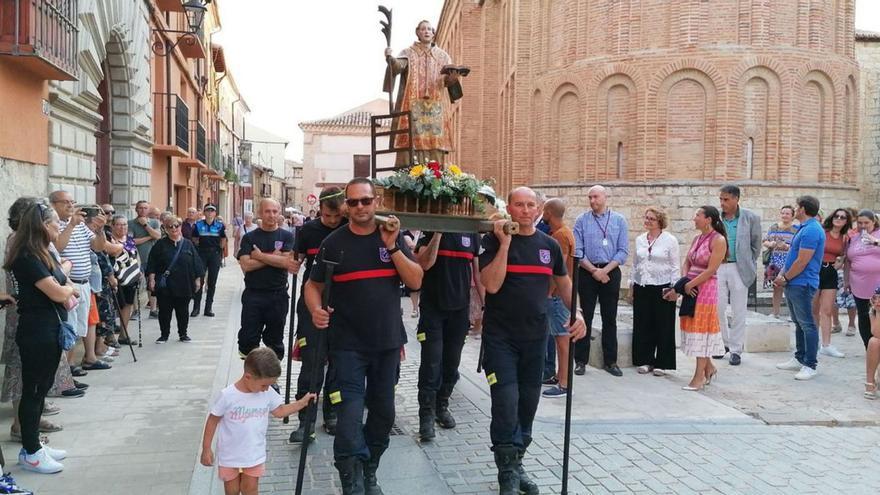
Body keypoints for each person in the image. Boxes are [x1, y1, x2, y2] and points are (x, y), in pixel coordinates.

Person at [305, 178, 422, 494]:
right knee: (348, 420)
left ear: (375, 201)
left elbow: (415, 280)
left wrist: (393, 247)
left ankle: (370, 470)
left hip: (386, 344)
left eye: (365, 201)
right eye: (353, 202)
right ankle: (351, 480)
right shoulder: (334, 243)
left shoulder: (393, 237)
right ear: (346, 205)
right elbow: (313, 286)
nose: (359, 207)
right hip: (347, 346)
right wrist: (316, 309)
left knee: (383, 414)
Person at [479, 187, 585, 495]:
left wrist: (578, 314)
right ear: (509, 208)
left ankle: (517, 461)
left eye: (530, 205)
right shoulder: (492, 240)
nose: (525, 210)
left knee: (528, 405)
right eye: (519, 205)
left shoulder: (549, 245)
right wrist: (505, 243)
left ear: (538, 208)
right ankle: (507, 474)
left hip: (535, 340)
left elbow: (563, 283)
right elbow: (491, 285)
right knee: (506, 403)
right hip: (500, 339)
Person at [5, 202, 73, 473]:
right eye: (57, 222)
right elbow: (58, 292)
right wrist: (68, 290)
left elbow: (61, 282)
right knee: (33, 392)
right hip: (37, 330)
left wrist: (65, 288)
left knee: (42, 389)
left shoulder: (42, 252)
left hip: (50, 328)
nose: (61, 226)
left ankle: (34, 445)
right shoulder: (26, 257)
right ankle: (31, 451)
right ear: (43, 225)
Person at [200, 347, 315, 495]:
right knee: (232, 491)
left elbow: (279, 411)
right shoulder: (228, 396)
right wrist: (206, 449)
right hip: (229, 455)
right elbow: (212, 420)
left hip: (254, 453)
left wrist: (301, 403)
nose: (267, 389)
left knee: (251, 489)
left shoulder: (266, 393)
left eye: (269, 385)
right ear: (248, 377)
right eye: (264, 385)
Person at [289, 187, 346, 443]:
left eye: (336, 216)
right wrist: (292, 264)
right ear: (320, 211)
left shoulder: (349, 227)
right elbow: (296, 259)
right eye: (327, 216)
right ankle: (306, 421)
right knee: (313, 362)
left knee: (338, 361)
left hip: (344, 305)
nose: (333, 221)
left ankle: (332, 412)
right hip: (312, 303)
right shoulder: (308, 231)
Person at [413, 223, 480, 440]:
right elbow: (424, 264)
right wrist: (439, 232)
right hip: (433, 309)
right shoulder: (428, 231)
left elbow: (477, 274)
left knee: (452, 363)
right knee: (432, 364)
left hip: (459, 311)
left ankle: (442, 405)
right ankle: (426, 415)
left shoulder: (471, 232)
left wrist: (486, 306)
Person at [384, 20, 462, 165]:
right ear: (418, 32)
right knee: (410, 138)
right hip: (411, 104)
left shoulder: (443, 56)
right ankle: (408, 175)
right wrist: (390, 58)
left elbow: (448, 83)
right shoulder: (408, 52)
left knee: (435, 141)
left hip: (435, 106)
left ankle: (434, 174)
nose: (426, 31)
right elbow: (398, 66)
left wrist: (452, 78)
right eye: (423, 29)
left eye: (429, 29)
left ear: (433, 33)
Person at [49, 191, 107, 377]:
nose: (70, 205)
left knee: (79, 327)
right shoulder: (54, 225)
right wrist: (71, 225)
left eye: (71, 202)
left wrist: (100, 230)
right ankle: (65, 371)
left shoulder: (81, 226)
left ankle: (71, 368)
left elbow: (97, 247)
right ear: (53, 204)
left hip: (83, 284)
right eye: (65, 202)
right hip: (67, 286)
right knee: (69, 328)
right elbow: (57, 248)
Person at [572, 185, 628, 376]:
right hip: (588, 272)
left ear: (605, 197)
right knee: (584, 316)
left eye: (595, 197)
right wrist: (594, 270)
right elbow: (578, 251)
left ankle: (610, 361)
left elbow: (623, 251)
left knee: (609, 317)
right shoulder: (582, 220)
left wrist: (605, 270)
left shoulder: (619, 221)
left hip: (610, 271)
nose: (592, 201)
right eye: (590, 197)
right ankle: (580, 360)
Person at [237, 198, 299, 359]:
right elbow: (246, 265)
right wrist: (273, 257)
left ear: (279, 213)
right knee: (248, 338)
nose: (271, 215)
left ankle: (272, 379)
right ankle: (251, 376)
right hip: (254, 294)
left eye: (275, 211)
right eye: (267, 211)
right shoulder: (249, 238)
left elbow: (287, 262)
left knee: (275, 339)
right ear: (260, 213)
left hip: (277, 295)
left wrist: (258, 256)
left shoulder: (286, 236)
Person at [674, 206, 726, 391]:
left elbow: (711, 269)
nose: (694, 218)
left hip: (705, 289)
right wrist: (686, 280)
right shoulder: (697, 239)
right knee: (693, 325)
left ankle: (699, 377)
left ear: (708, 219)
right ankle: (709, 368)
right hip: (692, 287)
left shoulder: (718, 240)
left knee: (702, 330)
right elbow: (688, 260)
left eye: (698, 215)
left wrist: (691, 284)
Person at [774, 196, 825, 381]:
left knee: (807, 324)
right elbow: (792, 255)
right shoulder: (804, 228)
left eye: (796, 206)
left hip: (802, 282)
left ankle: (810, 364)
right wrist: (782, 275)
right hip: (793, 282)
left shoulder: (811, 230)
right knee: (798, 322)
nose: (795, 209)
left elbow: (803, 260)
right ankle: (800, 357)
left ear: (802, 209)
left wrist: (785, 277)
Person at [630, 207, 680, 377]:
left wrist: (675, 288)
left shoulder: (669, 240)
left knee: (663, 324)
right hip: (643, 284)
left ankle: (662, 362)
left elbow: (675, 265)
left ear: (659, 222)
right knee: (643, 323)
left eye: (651, 218)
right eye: (646, 218)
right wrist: (632, 284)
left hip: (662, 285)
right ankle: (645, 359)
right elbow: (636, 263)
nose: (648, 221)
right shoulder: (640, 240)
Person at [715, 185, 762, 366]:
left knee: (738, 309)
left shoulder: (750, 218)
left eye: (726, 199)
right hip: (718, 266)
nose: (723, 203)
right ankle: (722, 343)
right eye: (721, 199)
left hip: (739, 268)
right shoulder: (716, 218)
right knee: (718, 307)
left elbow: (756, 244)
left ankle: (736, 349)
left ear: (736, 199)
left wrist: (748, 261)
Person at [540, 198, 577, 398]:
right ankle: (558, 375)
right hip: (559, 295)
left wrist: (549, 291)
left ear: (549, 213)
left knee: (562, 341)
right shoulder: (562, 232)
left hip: (559, 296)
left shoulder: (561, 235)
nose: (542, 214)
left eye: (544, 211)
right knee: (558, 339)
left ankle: (564, 384)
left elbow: (558, 267)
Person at [146, 216, 204, 343]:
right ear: (165, 229)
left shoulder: (188, 244)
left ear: (180, 227)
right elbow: (151, 263)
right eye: (170, 226)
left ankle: (183, 334)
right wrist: (151, 279)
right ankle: (164, 335)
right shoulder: (160, 245)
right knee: (165, 311)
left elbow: (197, 263)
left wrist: (198, 280)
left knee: (183, 311)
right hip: (166, 285)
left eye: (176, 226)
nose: (174, 229)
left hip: (184, 283)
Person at [813, 208, 851, 359]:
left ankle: (826, 345)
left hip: (830, 273)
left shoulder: (844, 238)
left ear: (846, 221)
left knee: (827, 310)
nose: (839, 219)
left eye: (843, 217)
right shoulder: (822, 231)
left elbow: (843, 256)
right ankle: (813, 343)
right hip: (816, 270)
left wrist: (839, 263)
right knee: (813, 310)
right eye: (837, 216)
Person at [844, 210, 880, 348]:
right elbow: (848, 260)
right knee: (864, 315)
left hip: (878, 282)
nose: (863, 225)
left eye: (866, 222)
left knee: (878, 313)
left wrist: (875, 242)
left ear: (873, 222)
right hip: (859, 282)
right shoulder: (853, 237)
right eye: (860, 223)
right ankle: (869, 347)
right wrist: (847, 280)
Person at [762, 205, 798, 318]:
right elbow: (764, 241)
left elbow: (798, 246)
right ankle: (775, 312)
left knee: (791, 288)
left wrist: (786, 246)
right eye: (783, 213)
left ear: (792, 216)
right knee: (776, 287)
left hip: (789, 260)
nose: (784, 215)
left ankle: (793, 314)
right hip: (774, 260)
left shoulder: (796, 229)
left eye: (787, 213)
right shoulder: (774, 227)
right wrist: (771, 244)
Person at [108, 215, 139, 345]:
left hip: (131, 277)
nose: (123, 227)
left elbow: (135, 254)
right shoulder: (110, 240)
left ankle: (123, 334)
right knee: (115, 306)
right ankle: (109, 338)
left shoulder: (129, 239)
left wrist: (139, 270)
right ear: (113, 226)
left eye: (125, 224)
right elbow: (112, 256)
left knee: (128, 304)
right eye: (119, 224)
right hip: (116, 278)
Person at [192, 204, 227, 317]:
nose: (210, 213)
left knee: (212, 282)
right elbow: (194, 239)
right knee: (199, 281)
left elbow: (223, 239)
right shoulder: (198, 225)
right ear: (204, 212)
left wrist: (218, 251)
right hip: (201, 253)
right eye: (208, 211)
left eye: (212, 211)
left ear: (215, 213)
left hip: (214, 254)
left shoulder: (220, 225)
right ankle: (196, 308)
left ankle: (208, 308)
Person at [129, 201, 161, 318]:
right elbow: (131, 242)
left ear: (148, 210)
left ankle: (153, 310)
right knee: (135, 285)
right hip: (135, 259)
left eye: (145, 208)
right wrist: (149, 237)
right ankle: (136, 310)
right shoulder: (130, 223)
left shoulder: (154, 222)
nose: (142, 210)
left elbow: (158, 236)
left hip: (151, 258)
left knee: (152, 284)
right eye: (140, 208)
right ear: (136, 210)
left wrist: (145, 225)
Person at [863, 287, 880, 399]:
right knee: (874, 342)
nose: (877, 301)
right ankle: (870, 381)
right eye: (876, 298)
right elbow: (877, 333)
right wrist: (878, 312)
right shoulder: (873, 309)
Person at [402, 229, 421, 318]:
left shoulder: (422, 231)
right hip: (412, 262)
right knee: (413, 288)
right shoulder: (405, 234)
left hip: (422, 261)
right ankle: (415, 309)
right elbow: (412, 245)